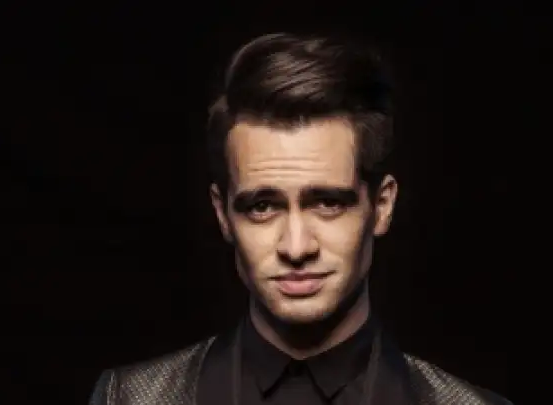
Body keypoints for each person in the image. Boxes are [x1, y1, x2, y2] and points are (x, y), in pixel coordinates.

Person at [89, 32, 512, 405]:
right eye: (262, 207)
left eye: (327, 203)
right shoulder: (127, 398)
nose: (296, 247)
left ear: (382, 206)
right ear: (223, 214)